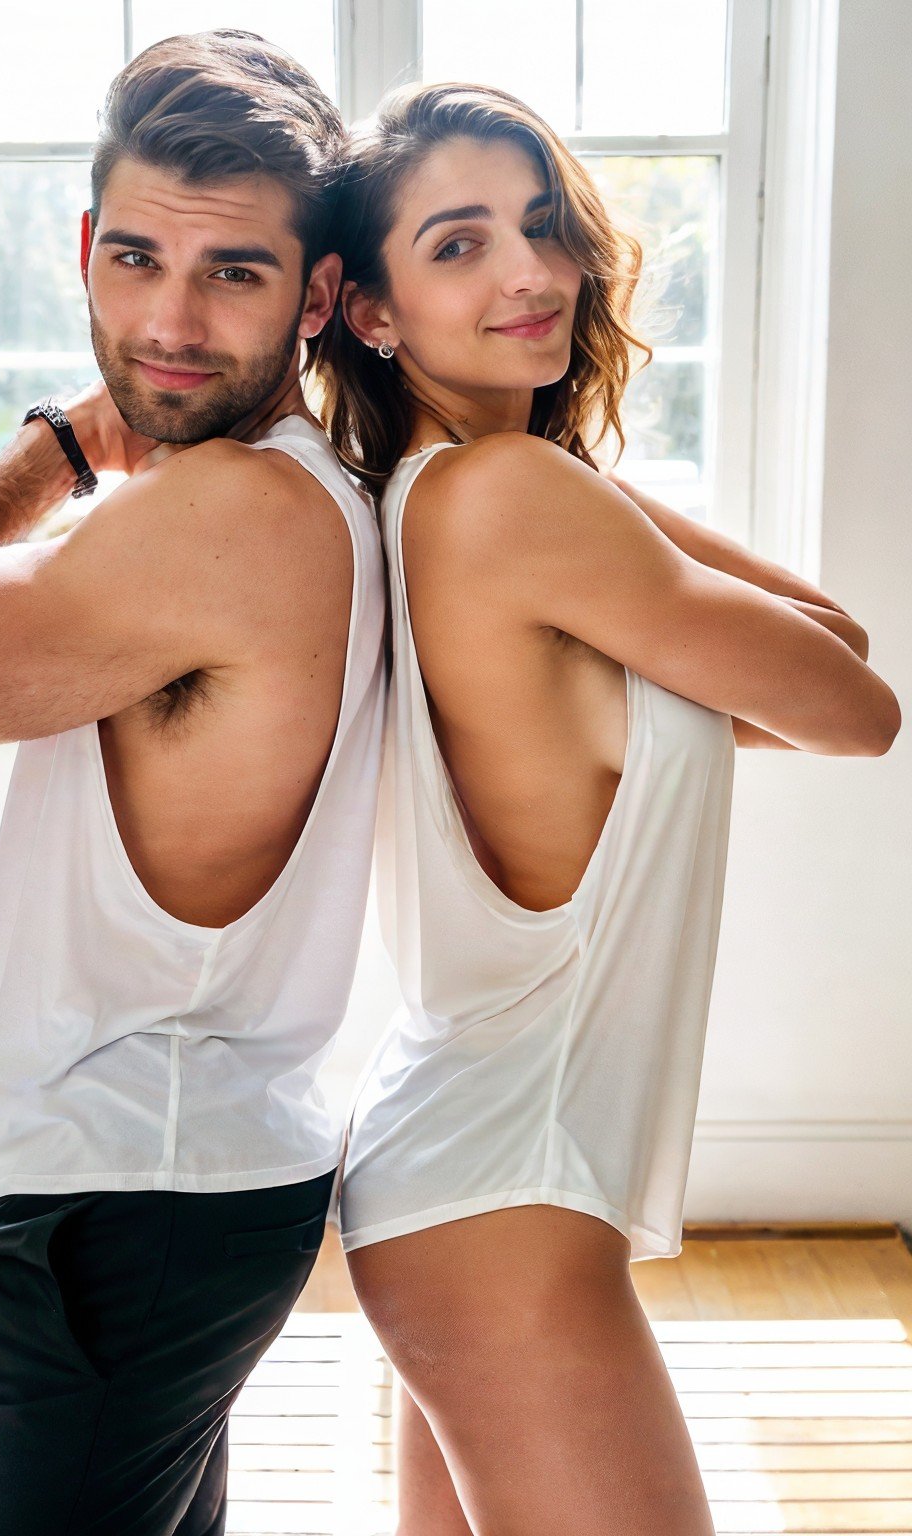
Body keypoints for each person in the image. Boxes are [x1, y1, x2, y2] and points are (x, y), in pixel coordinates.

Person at [0, 31, 386, 1536]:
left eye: (233, 272)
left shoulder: (224, 513)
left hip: (137, 1196)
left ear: (314, 297)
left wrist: (60, 443)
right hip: (175, 1182)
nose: (169, 319)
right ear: (85, 247)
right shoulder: (257, 500)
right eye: (139, 258)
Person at [314, 82, 901, 1536]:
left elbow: (818, 647)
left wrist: (563, 456)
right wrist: (563, 464)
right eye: (457, 245)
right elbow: (856, 706)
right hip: (501, 1201)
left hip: (465, 1180)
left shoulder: (439, 496)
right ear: (372, 313)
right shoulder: (513, 500)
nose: (532, 273)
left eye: (541, 225)